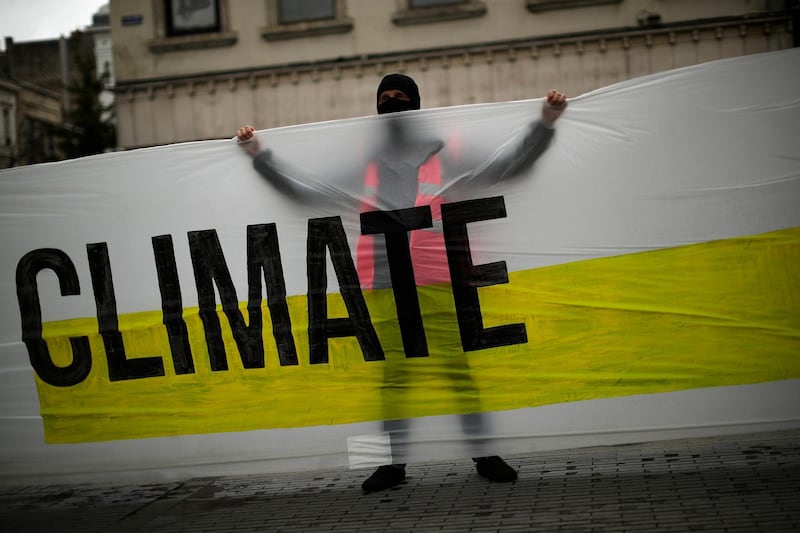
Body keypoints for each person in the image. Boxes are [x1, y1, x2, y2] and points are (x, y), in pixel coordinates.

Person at [237, 74, 567, 493]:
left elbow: (506, 168)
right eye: (385, 99)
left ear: (417, 104)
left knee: (457, 368)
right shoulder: (364, 161)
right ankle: (389, 467)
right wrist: (258, 155)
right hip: (384, 280)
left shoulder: (445, 153)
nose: (391, 105)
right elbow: (307, 193)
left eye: (401, 98)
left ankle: (485, 454)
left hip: (439, 277)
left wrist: (546, 122)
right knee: (391, 376)